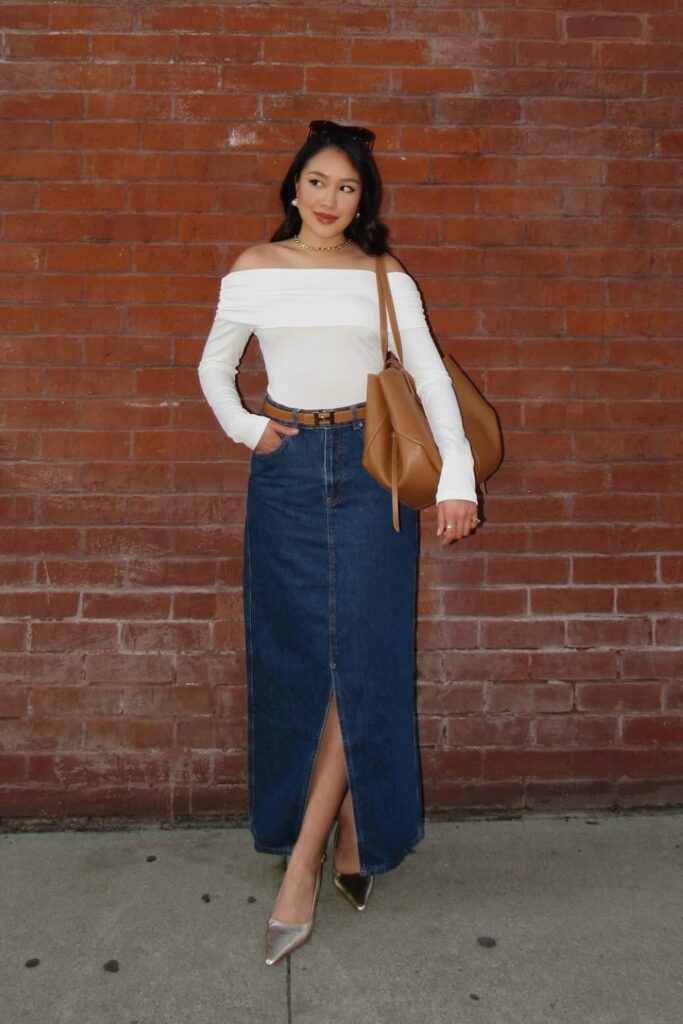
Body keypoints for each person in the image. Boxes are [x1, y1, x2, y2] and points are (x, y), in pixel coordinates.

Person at [197, 120, 479, 965]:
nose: (330, 200)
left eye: (347, 188)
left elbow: (428, 377)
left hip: (372, 469)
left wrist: (456, 477)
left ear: (364, 201)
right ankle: (353, 831)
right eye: (317, 182)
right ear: (293, 188)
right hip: (284, 470)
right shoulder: (253, 270)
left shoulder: (381, 276)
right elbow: (214, 368)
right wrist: (251, 431)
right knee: (296, 652)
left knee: (362, 652)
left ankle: (306, 859)